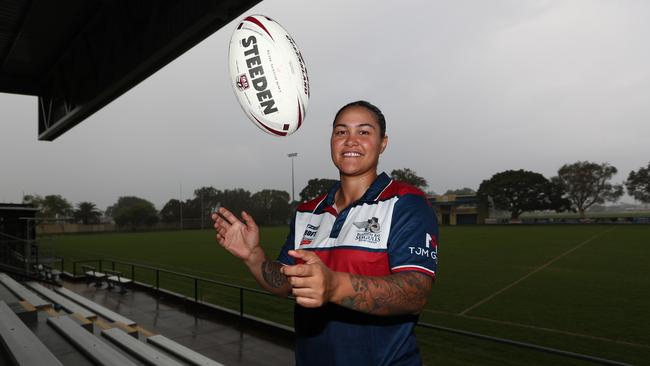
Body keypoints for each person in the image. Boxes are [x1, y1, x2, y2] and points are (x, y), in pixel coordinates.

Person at [212, 100, 438, 365]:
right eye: (341, 132)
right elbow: (286, 282)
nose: (351, 140)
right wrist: (253, 255)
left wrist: (334, 286)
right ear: (331, 141)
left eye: (364, 132)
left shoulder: (406, 202)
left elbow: (415, 293)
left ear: (383, 143)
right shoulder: (307, 211)